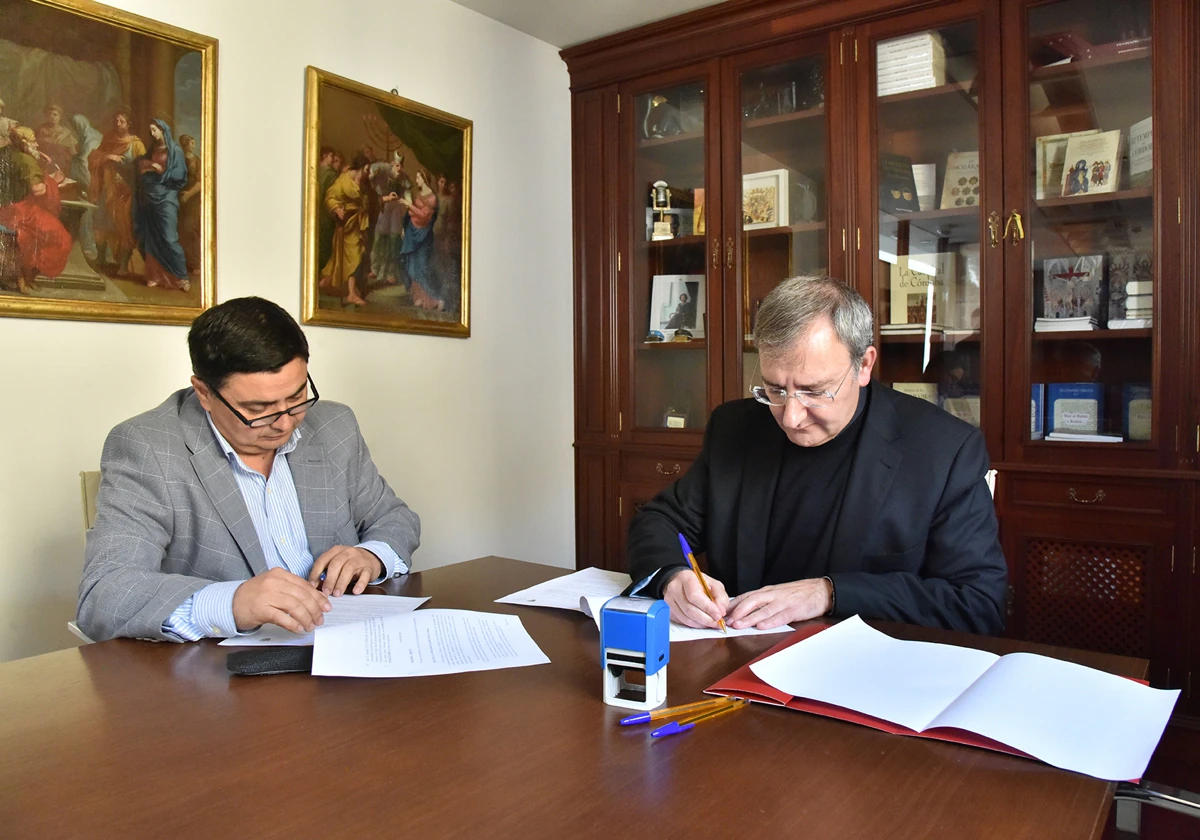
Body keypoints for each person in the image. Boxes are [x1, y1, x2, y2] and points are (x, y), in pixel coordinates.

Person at [626, 275, 1007, 635]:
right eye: (774, 389)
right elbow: (660, 521)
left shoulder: (943, 450)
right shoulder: (736, 427)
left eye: (814, 391)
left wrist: (830, 593)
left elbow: (977, 604)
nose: (790, 417)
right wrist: (672, 576)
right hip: (738, 660)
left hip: (868, 676)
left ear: (864, 365)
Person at [77, 296, 421, 642]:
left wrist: (371, 555)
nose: (286, 422)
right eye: (259, 408)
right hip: (223, 673)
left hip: (345, 645)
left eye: (298, 395)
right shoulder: (147, 447)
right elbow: (105, 593)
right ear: (204, 394)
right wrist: (232, 602)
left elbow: (394, 518)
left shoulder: (335, 425)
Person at [0, 126, 71, 294]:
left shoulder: (6, 153)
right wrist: (55, 180)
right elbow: (38, 189)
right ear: (24, 143)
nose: (37, 145)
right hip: (18, 211)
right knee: (61, 237)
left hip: (4, 209)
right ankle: (26, 277)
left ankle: (23, 278)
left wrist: (39, 165)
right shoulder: (26, 160)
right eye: (33, 141)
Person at [132, 119, 190, 290]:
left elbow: (179, 174)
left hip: (166, 198)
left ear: (163, 130)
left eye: (155, 130)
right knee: (151, 237)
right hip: (149, 197)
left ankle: (181, 277)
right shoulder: (152, 150)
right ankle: (154, 274)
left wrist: (160, 170)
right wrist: (147, 166)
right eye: (150, 130)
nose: (152, 133)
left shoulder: (176, 151)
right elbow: (141, 165)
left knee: (169, 237)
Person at [88, 108, 145, 275]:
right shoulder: (109, 139)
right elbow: (95, 157)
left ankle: (123, 264)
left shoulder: (136, 144)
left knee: (124, 225)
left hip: (126, 191)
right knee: (101, 222)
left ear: (129, 124)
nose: (118, 124)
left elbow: (142, 168)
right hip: (108, 189)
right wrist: (108, 157)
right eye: (117, 121)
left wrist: (126, 167)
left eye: (122, 121)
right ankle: (100, 259)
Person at [320, 154, 371, 307]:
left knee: (354, 256)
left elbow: (367, 200)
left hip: (357, 224)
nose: (368, 172)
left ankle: (327, 284)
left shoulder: (363, 182)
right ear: (361, 167)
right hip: (345, 223)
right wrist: (336, 208)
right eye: (367, 169)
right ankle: (351, 294)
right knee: (351, 257)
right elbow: (330, 196)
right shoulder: (344, 179)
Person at [400, 168, 440, 310]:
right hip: (412, 232)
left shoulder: (432, 198)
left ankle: (434, 298)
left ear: (424, 178)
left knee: (422, 266)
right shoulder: (417, 195)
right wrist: (404, 226)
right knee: (412, 266)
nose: (416, 180)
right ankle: (418, 297)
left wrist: (409, 205)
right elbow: (411, 213)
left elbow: (424, 215)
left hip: (424, 235)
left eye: (418, 177)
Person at [176, 133, 202, 275]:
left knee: (190, 228)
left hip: (192, 199)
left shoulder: (197, 161)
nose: (193, 145)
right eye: (191, 142)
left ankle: (195, 263)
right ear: (184, 144)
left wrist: (189, 194)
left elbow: (201, 182)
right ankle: (183, 262)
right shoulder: (178, 160)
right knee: (179, 229)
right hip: (179, 197)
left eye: (193, 143)